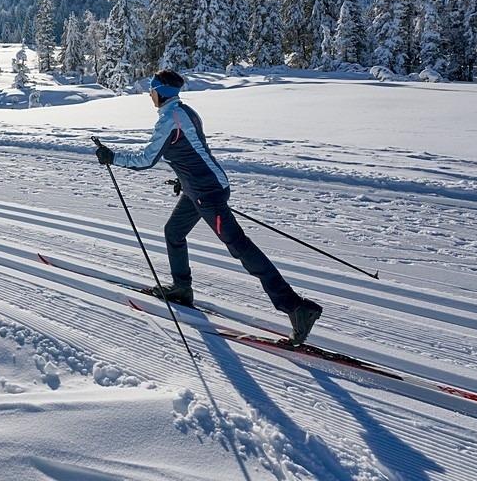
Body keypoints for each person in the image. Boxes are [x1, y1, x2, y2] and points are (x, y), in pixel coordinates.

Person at [94, 69, 323, 346]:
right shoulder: (185, 112)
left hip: (206, 193)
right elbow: (193, 151)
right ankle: (181, 288)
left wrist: (112, 157)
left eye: (152, 89)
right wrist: (183, 180)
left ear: (162, 92)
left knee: (240, 247)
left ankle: (296, 307)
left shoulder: (169, 120)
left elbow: (146, 160)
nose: (149, 94)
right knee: (174, 231)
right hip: (200, 189)